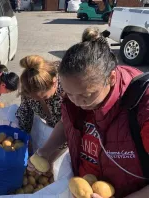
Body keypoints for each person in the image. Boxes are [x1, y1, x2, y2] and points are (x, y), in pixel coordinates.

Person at [28, 28, 149, 197]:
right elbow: (67, 122)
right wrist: (47, 151)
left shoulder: (143, 105)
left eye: (86, 95)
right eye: (70, 94)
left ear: (111, 78)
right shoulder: (77, 92)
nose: (77, 102)